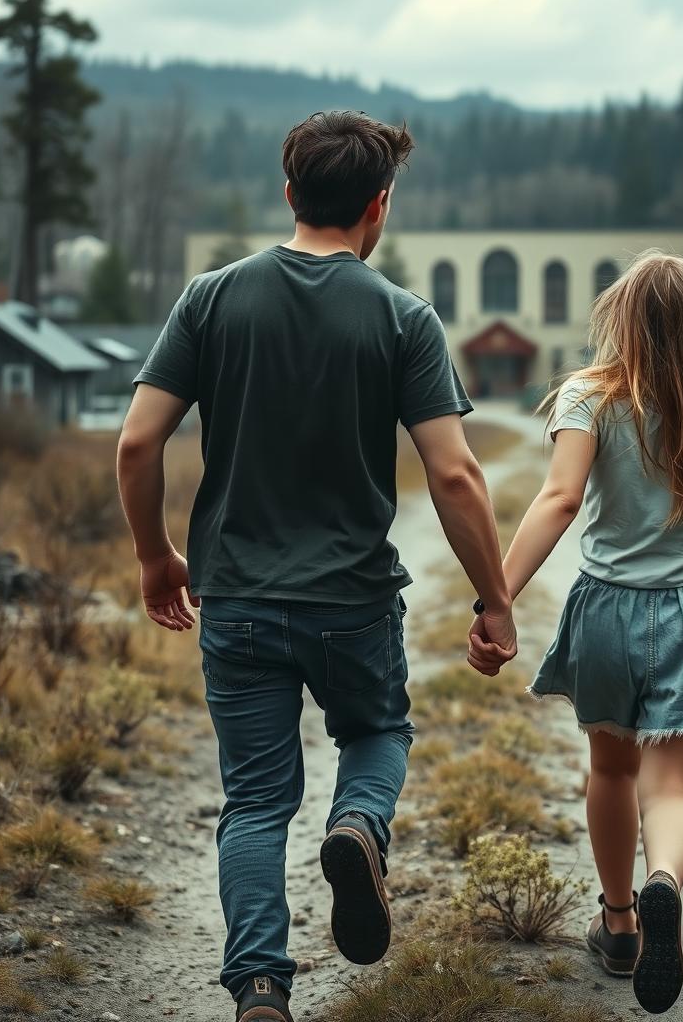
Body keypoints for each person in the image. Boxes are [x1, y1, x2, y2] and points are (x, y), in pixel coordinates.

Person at [117, 111, 517, 1022]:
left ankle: (259, 985)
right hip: (352, 601)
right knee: (377, 735)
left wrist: (154, 556)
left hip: (239, 598)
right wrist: (495, 600)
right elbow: (453, 473)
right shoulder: (401, 318)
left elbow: (139, 443)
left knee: (254, 801)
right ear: (379, 207)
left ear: (290, 192)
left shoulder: (212, 298)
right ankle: (356, 828)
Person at [467, 251, 683, 1015]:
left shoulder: (591, 396)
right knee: (672, 791)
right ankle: (666, 882)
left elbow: (558, 500)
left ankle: (621, 923)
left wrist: (498, 598)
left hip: (607, 612)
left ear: (621, 319)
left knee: (613, 771)